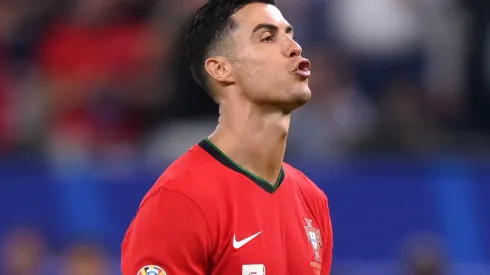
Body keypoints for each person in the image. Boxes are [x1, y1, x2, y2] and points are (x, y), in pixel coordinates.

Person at [121, 0, 333, 274]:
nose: (294, 48)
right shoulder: (180, 200)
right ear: (221, 69)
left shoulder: (312, 200)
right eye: (267, 38)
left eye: (289, 35)